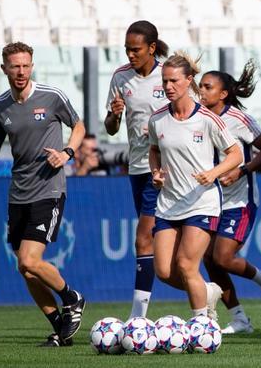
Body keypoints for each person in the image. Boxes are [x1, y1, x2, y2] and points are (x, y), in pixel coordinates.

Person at [0, 42, 87, 347]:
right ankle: (61, 327)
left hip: (48, 189)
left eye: (25, 65)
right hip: (17, 193)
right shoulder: (0, 106)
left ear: (32, 66)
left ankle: (72, 298)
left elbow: (79, 125)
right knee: (25, 268)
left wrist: (67, 152)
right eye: (15, 66)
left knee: (29, 259)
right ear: (4, 69)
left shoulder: (51, 96)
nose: (21, 72)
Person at [148, 53, 242, 318]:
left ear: (189, 80)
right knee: (164, 271)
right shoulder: (157, 119)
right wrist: (156, 171)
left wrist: (213, 173)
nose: (168, 87)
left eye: (174, 81)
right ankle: (206, 290)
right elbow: (154, 150)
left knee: (187, 264)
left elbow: (236, 154)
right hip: (168, 203)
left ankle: (201, 323)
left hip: (202, 202)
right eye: (165, 81)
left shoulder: (207, 119)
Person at [198, 63, 261, 334]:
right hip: (209, 200)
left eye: (207, 87)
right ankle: (239, 319)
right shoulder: (197, 116)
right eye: (199, 86)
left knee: (223, 257)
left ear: (223, 94)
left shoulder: (238, 118)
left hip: (239, 200)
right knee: (209, 261)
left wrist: (241, 170)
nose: (200, 91)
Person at [103, 20, 168, 320]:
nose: (130, 55)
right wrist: (114, 116)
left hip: (166, 171)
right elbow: (111, 127)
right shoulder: (121, 77)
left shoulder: (169, 76)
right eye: (127, 49)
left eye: (136, 49)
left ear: (152, 48)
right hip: (137, 169)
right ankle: (205, 294)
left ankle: (137, 317)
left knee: (143, 238)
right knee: (168, 254)